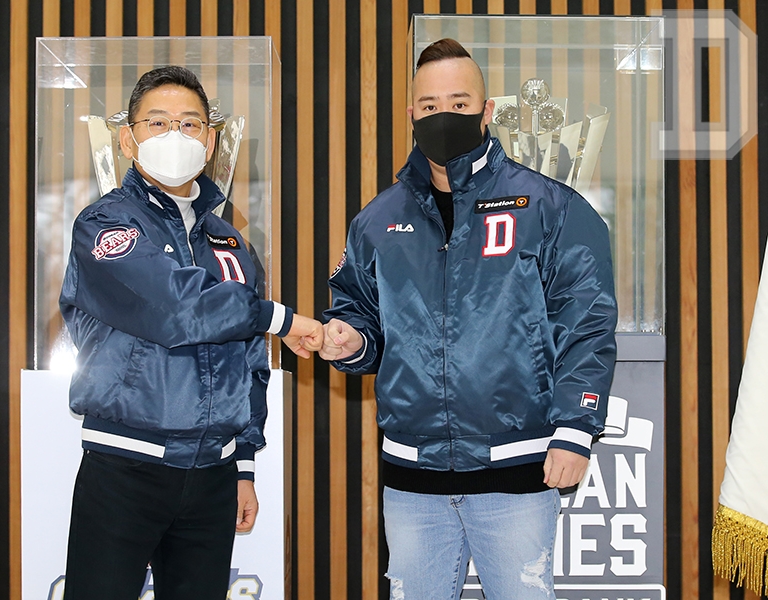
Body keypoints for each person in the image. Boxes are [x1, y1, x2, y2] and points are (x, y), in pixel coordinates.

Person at [321, 39, 618, 600]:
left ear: (486, 112)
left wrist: (577, 429)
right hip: (412, 480)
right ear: (411, 113)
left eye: (459, 104)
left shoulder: (549, 207)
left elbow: (587, 322)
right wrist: (350, 340)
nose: (443, 117)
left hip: (516, 468)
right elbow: (359, 316)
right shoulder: (377, 220)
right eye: (429, 106)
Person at [59, 65, 323, 600]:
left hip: (212, 476)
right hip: (124, 467)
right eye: (157, 123)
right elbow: (176, 310)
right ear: (128, 139)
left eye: (190, 123)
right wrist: (283, 319)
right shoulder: (106, 226)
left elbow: (251, 362)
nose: (175, 135)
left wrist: (244, 461)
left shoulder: (231, 242)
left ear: (211, 140)